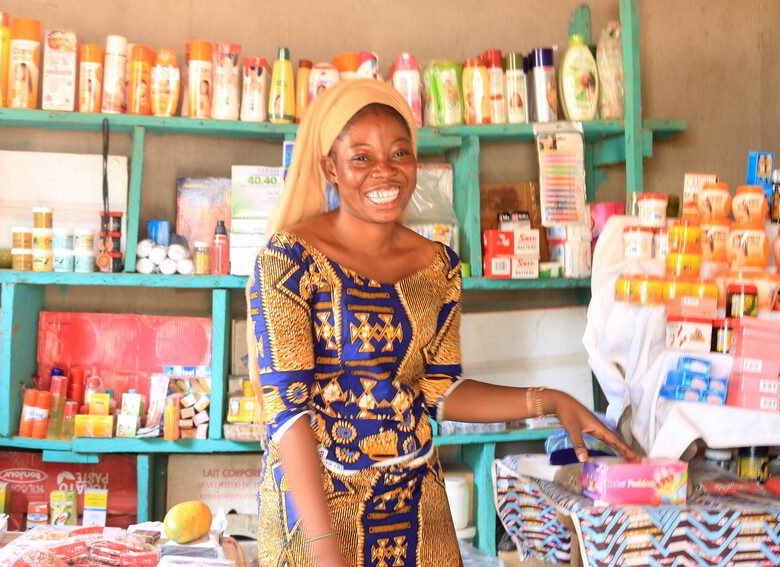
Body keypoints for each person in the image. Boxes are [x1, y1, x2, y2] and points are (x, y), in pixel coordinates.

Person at [246, 79, 635, 567]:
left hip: (416, 506)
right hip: (317, 511)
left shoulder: (438, 266)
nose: (384, 171)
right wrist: (325, 550)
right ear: (331, 167)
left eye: (400, 153)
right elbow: (288, 412)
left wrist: (549, 400)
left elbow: (439, 391)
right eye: (361, 157)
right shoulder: (290, 259)